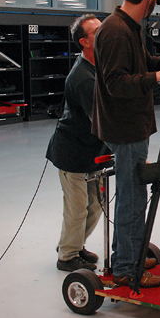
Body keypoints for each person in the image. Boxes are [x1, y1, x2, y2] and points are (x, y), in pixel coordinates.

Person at [92, 0, 160, 289]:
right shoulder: (116, 31)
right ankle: (125, 268)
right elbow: (117, 83)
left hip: (133, 126)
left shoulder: (129, 28)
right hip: (125, 128)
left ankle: (128, 254)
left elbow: (143, 62)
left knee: (135, 193)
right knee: (133, 197)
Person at [46, 14, 111, 272]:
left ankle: (74, 245)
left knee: (95, 206)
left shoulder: (100, 65)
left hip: (93, 151)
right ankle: (67, 256)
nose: (104, 34)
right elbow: (102, 122)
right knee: (77, 209)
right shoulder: (83, 77)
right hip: (72, 153)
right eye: (97, 32)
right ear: (84, 41)